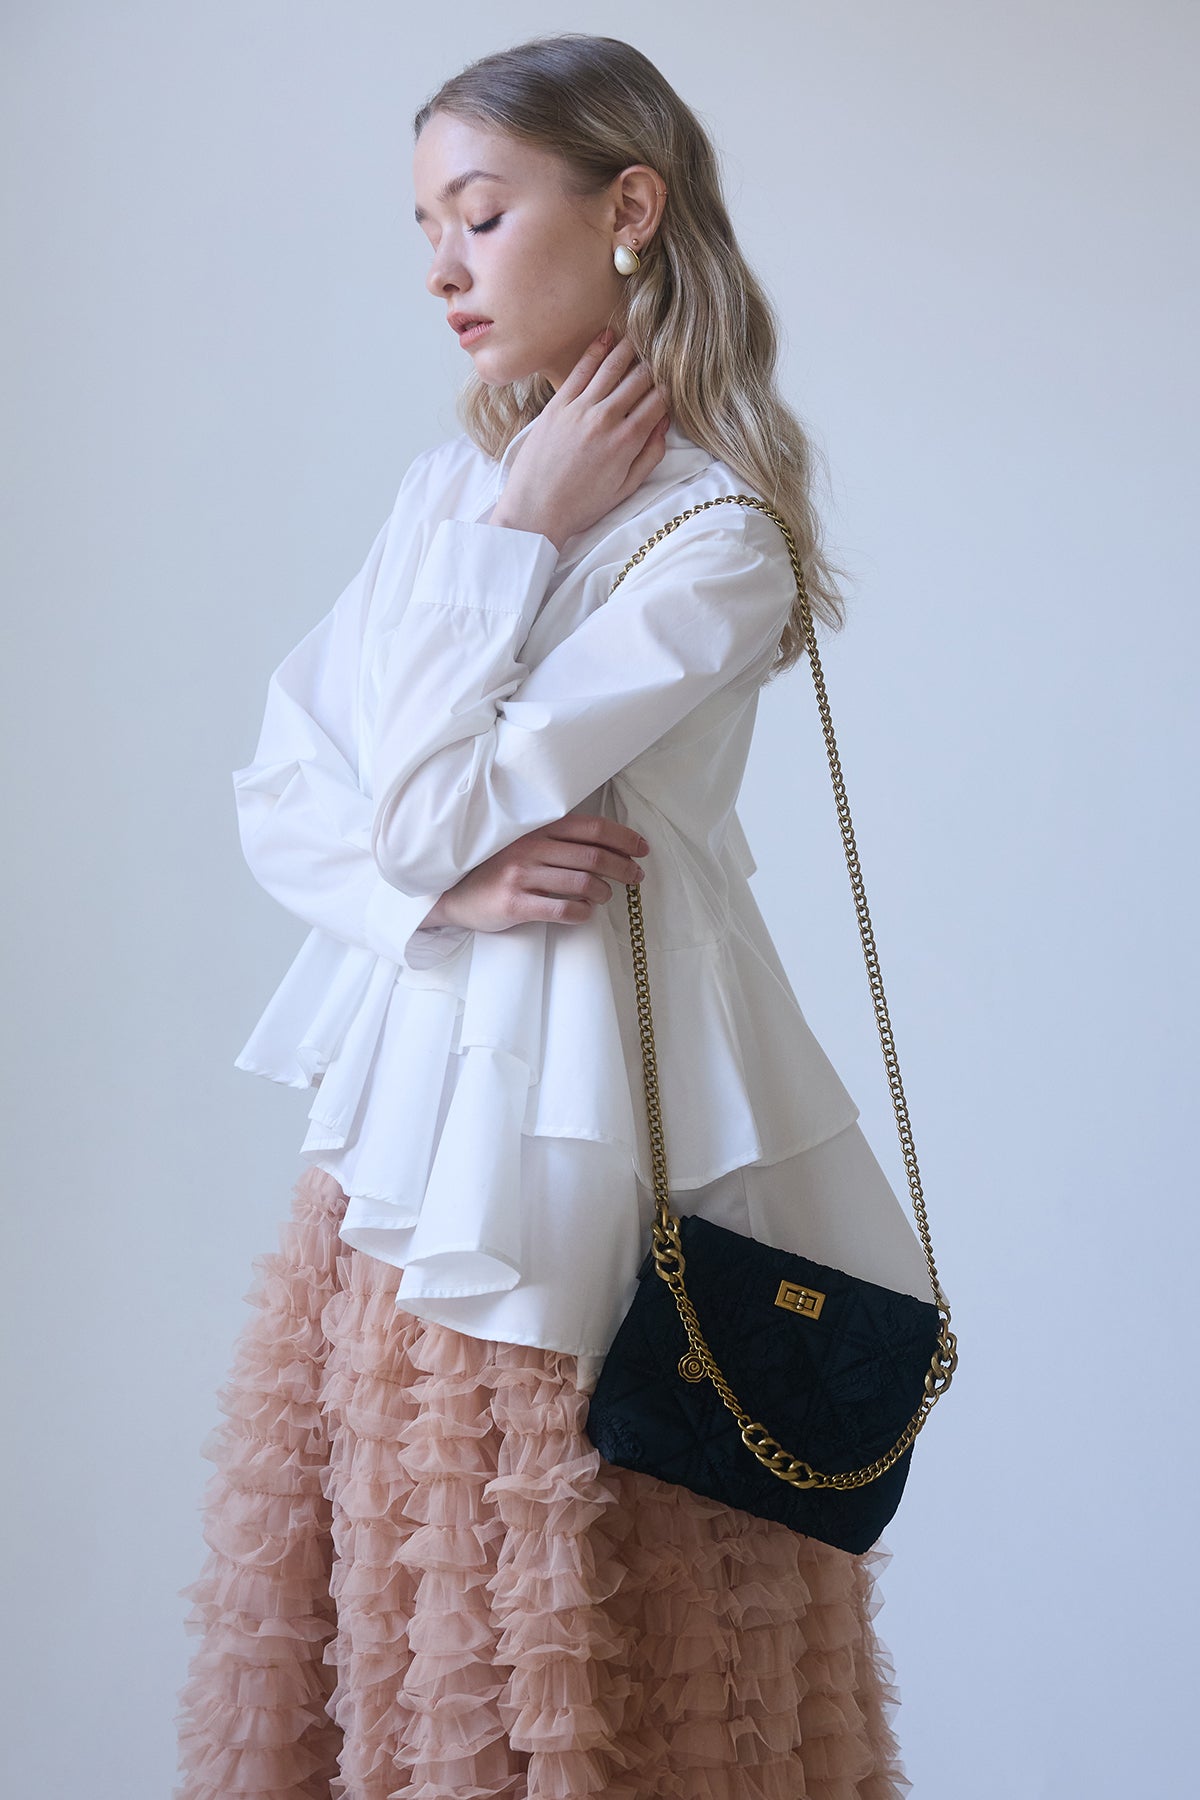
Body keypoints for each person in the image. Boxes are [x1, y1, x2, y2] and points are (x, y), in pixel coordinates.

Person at [174, 31, 933, 1800]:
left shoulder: (714, 538)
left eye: (482, 212)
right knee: (414, 1583)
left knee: (619, 1610)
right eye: (426, 225)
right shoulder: (453, 491)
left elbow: (414, 804)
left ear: (628, 211)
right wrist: (434, 892)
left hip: (602, 1128)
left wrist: (511, 553)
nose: (443, 265)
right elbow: (286, 792)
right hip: (423, 1117)